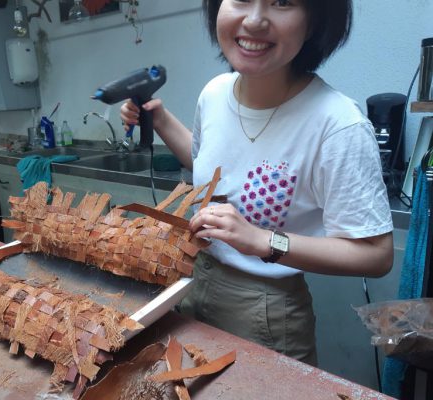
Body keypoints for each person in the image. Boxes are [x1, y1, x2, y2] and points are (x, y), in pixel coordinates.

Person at [120, 0, 393, 366]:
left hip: (264, 306)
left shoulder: (338, 125)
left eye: (282, 2)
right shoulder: (214, 94)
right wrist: (161, 119)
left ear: (315, 21)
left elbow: (376, 254)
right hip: (193, 277)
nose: (255, 19)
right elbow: (208, 166)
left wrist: (263, 240)